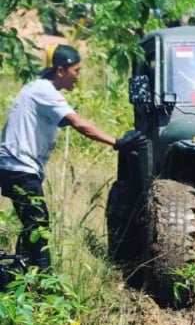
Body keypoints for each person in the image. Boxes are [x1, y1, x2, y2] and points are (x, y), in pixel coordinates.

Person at [0, 44, 147, 271]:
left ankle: (20, 274)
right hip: (20, 168)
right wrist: (118, 143)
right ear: (60, 71)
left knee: (32, 226)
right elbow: (80, 125)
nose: (78, 77)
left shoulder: (38, 88)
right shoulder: (44, 91)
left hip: (14, 166)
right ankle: (45, 284)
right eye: (76, 71)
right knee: (40, 226)